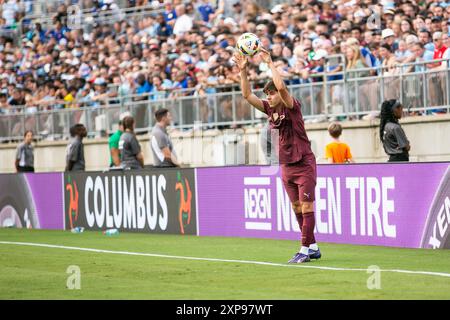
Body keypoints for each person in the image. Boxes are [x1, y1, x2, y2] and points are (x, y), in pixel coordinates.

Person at [233, 48, 320, 264]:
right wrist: (243, 71)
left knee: (307, 207)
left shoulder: (292, 107)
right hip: (286, 165)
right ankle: (313, 246)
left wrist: (270, 63)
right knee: (297, 208)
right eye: (267, 94)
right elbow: (246, 95)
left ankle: (304, 250)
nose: (268, 97)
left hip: (304, 162)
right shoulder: (269, 109)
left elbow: (281, 86)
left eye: (270, 94)